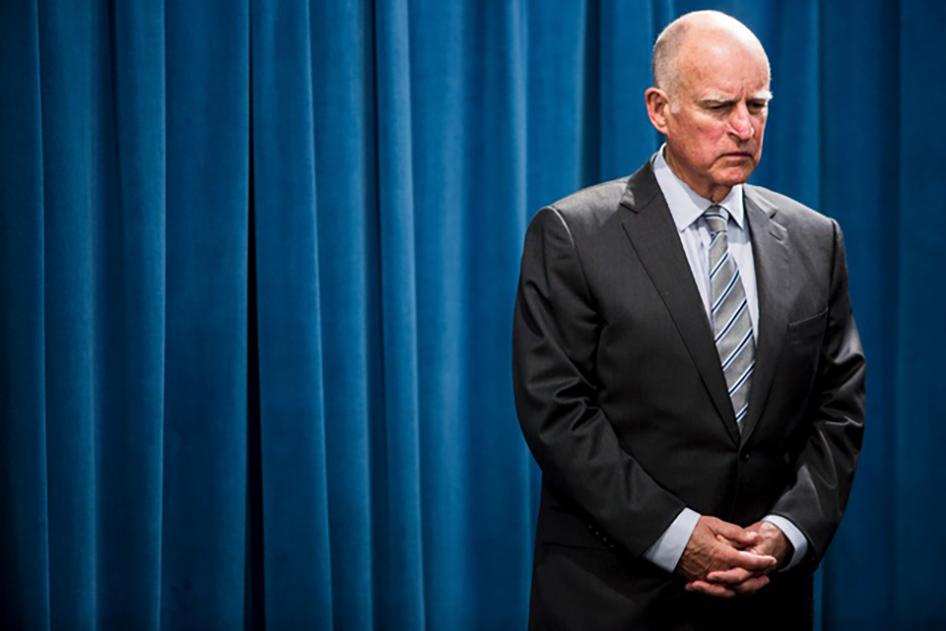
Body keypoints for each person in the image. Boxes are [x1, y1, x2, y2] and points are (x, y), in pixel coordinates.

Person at [512, 10, 865, 630]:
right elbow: (558, 414)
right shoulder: (574, 234)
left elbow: (838, 409)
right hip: (615, 598)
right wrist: (677, 537)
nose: (742, 127)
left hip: (765, 596)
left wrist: (785, 533)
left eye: (758, 105)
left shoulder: (816, 239)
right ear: (659, 109)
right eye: (717, 106)